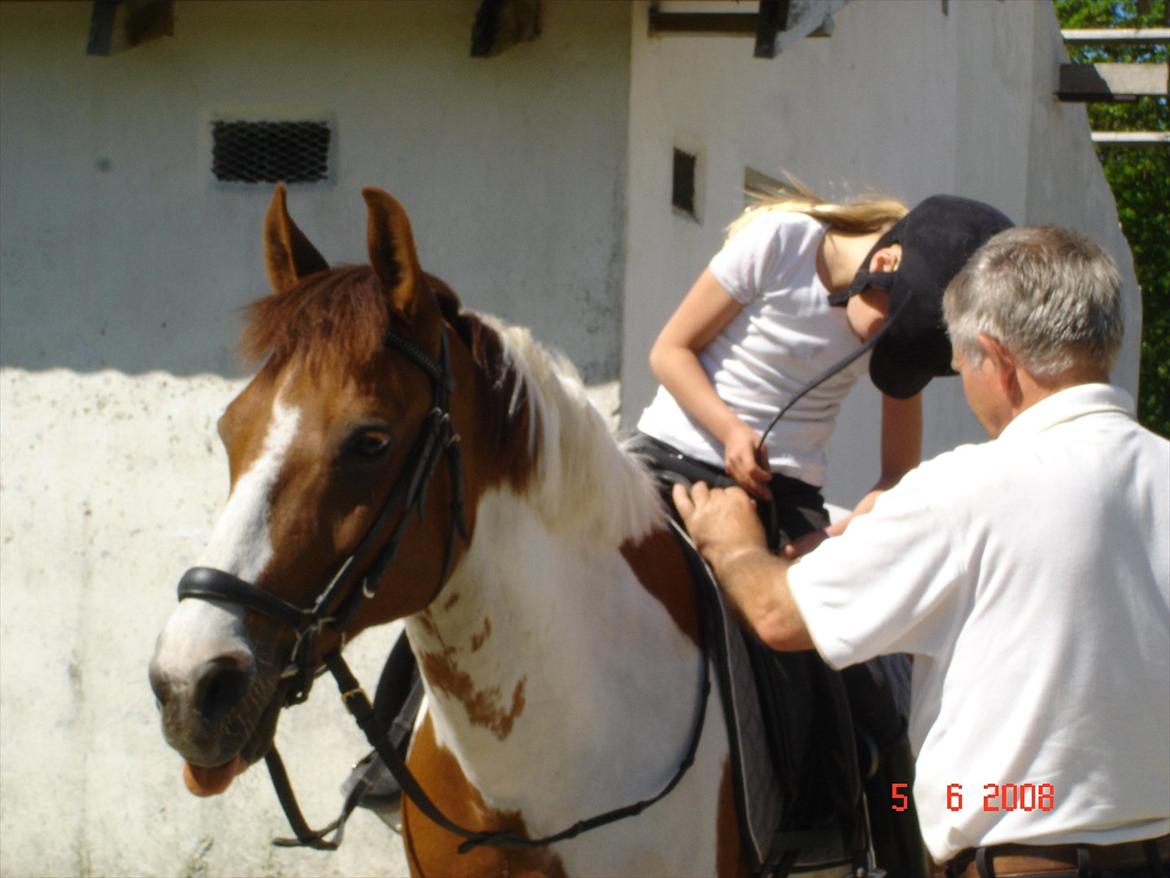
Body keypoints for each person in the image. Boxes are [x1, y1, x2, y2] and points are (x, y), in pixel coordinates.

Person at [673, 225, 1170, 878]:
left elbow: (779, 616)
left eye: (962, 363)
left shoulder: (967, 489)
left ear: (1000, 359)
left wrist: (731, 544)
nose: (962, 378)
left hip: (1021, 857)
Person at [632, 183, 1011, 555]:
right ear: (882, 264)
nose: (888, 352)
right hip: (675, 455)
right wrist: (730, 431)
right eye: (887, 336)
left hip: (784, 497)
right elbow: (670, 351)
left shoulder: (901, 337)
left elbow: (896, 473)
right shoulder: (783, 241)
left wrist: (831, 539)